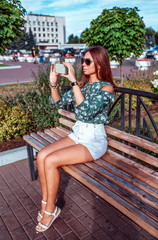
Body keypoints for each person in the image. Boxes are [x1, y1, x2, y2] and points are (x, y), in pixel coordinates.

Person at [35, 46, 116, 232]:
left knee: (51, 160)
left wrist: (73, 83)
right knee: (42, 156)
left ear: (100, 64)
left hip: (94, 140)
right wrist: (53, 84)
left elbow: (86, 110)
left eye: (88, 61)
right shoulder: (84, 86)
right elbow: (58, 103)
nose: (84, 65)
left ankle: (49, 210)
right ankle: (47, 203)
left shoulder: (107, 88)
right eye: (83, 61)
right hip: (78, 133)